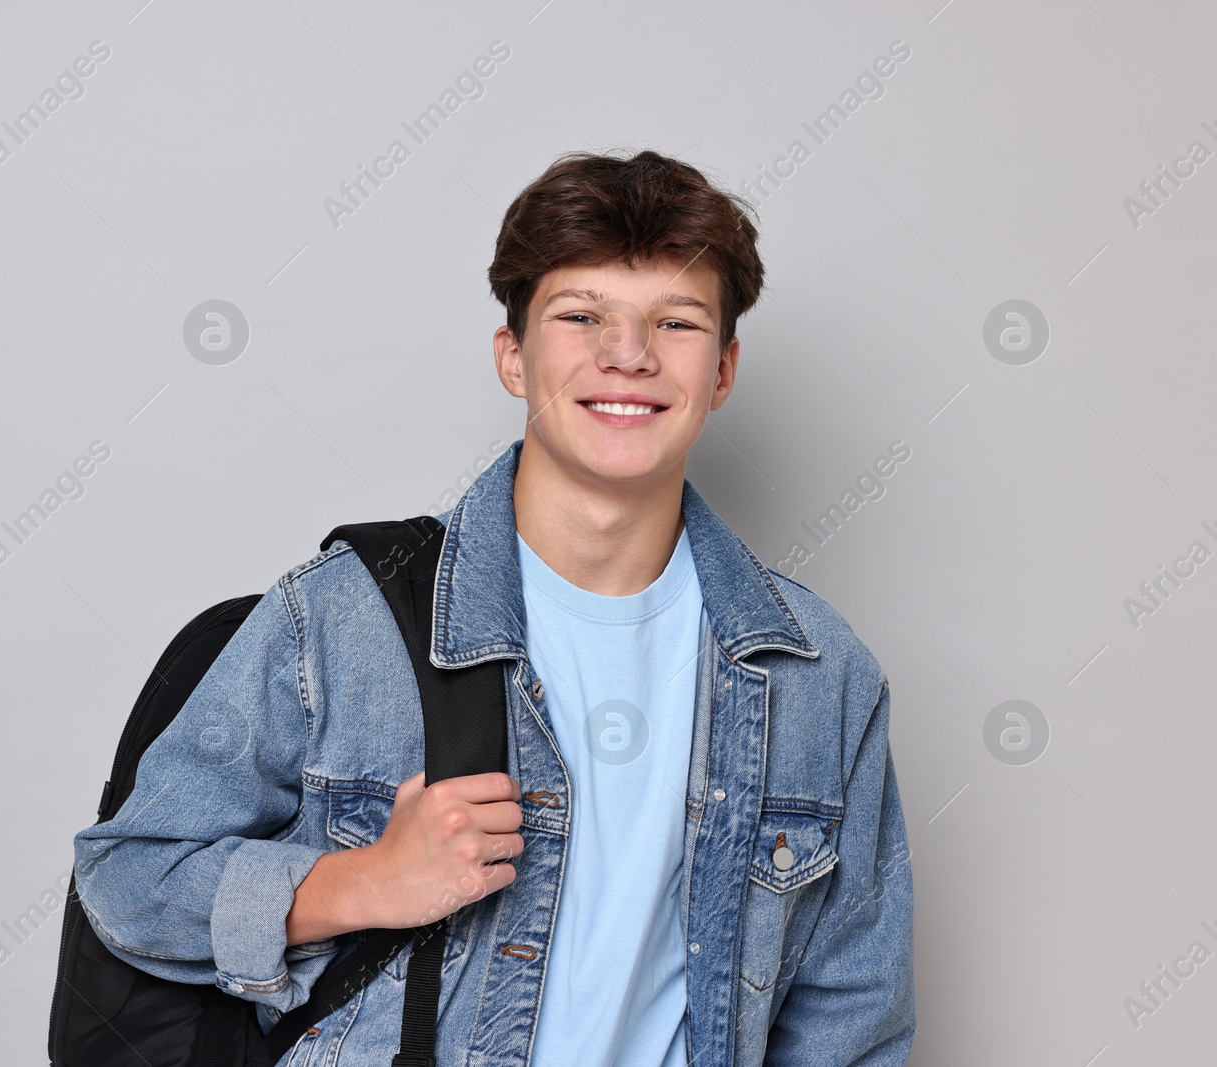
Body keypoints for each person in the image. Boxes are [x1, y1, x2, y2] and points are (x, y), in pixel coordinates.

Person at [74, 148, 914, 1066]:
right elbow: (128, 876)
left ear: (721, 371)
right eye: (581, 315)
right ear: (514, 358)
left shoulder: (818, 677)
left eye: (675, 321)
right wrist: (360, 883)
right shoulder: (343, 619)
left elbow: (852, 1019)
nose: (627, 354)